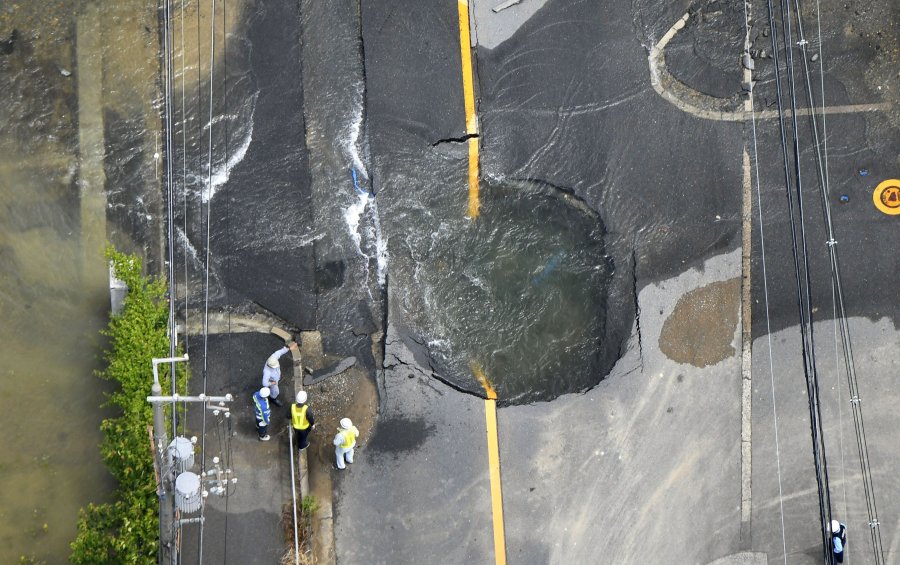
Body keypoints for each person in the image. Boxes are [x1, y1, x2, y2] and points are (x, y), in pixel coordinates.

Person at [262, 341, 298, 407]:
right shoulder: (267, 372)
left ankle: (270, 394)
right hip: (273, 381)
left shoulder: (273, 358)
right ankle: (273, 398)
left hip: (275, 378)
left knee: (273, 389)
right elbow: (264, 383)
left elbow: (279, 352)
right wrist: (272, 383)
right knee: (276, 392)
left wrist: (289, 348)